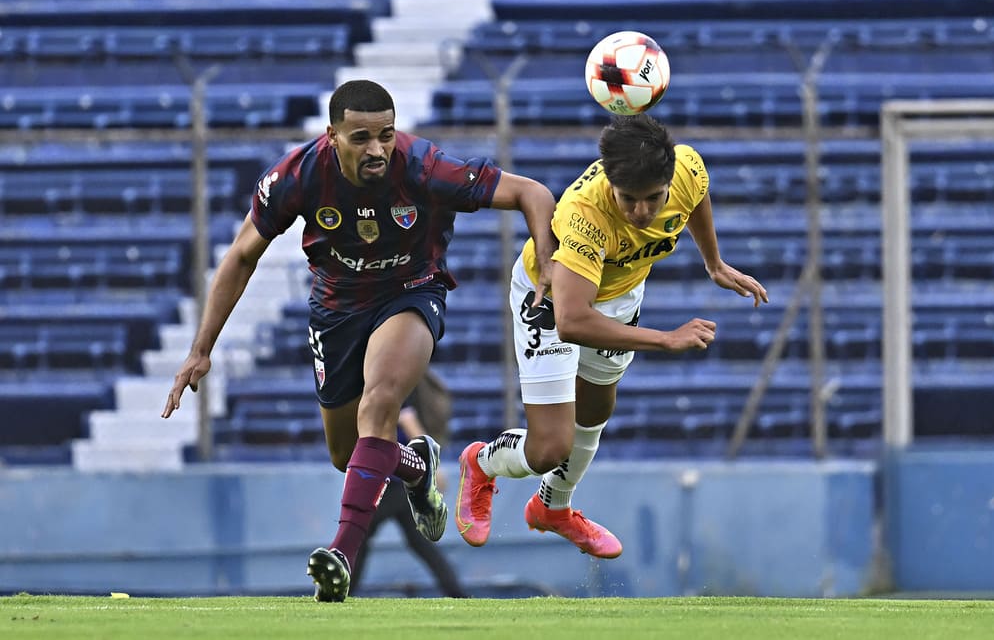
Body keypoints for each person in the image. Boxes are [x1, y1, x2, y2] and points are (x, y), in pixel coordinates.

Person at [161, 79, 558, 602]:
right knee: (345, 453)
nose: (377, 149)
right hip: (337, 310)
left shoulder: (422, 166)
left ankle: (342, 556)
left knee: (380, 404)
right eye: (362, 138)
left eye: (386, 135)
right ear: (332, 135)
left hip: (411, 292)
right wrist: (201, 349)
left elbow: (532, 192)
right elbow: (239, 256)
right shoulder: (296, 176)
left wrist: (547, 261)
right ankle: (414, 468)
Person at [454, 113, 768, 558]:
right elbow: (572, 320)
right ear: (610, 184)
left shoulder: (687, 167)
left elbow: (696, 196)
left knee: (597, 405)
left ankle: (553, 507)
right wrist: (666, 339)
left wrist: (713, 263)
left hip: (619, 294)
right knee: (549, 449)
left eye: (654, 198)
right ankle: (481, 462)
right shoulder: (583, 214)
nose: (642, 213)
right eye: (629, 200)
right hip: (552, 301)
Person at [351, 370, 467, 598]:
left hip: (392, 483)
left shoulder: (397, 384)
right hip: (402, 482)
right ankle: (457, 593)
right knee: (419, 543)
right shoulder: (407, 381)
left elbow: (407, 420)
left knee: (357, 534)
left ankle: (343, 591)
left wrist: (432, 469)